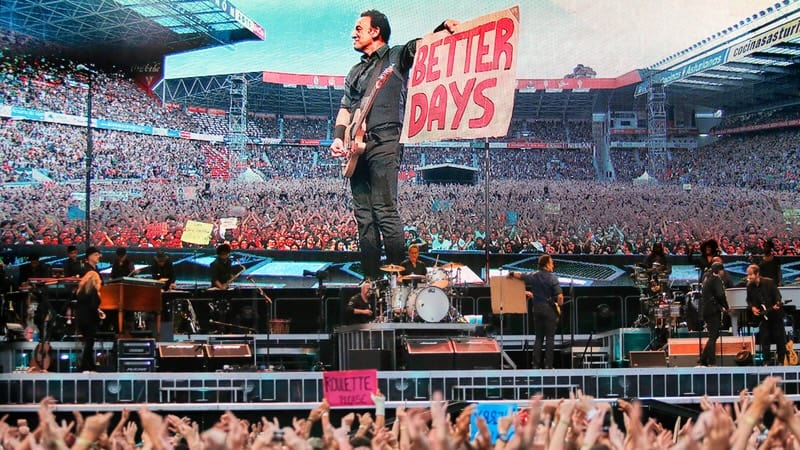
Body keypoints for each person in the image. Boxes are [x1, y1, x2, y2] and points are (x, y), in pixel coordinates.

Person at [329, 10, 458, 280]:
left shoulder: (394, 56)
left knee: (384, 210)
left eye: (359, 28)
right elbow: (345, 108)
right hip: (357, 146)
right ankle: (371, 280)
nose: (353, 33)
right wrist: (339, 137)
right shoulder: (354, 71)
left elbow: (419, 47)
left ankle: (401, 280)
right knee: (363, 217)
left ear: (376, 31)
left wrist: (442, 26)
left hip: (386, 139)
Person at [509, 254, 563, 369]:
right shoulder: (552, 277)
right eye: (551, 262)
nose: (553, 264)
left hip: (536, 309)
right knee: (549, 338)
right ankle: (548, 365)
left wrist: (511, 274)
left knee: (538, 337)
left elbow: (519, 275)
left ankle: (535, 365)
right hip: (549, 310)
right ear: (547, 264)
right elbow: (560, 297)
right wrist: (559, 305)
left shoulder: (533, 275)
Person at [745, 264, 786, 365]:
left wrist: (777, 304)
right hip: (763, 317)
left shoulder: (769, 282)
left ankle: (781, 361)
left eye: (750, 275)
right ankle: (766, 362)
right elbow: (749, 300)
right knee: (764, 339)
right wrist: (752, 308)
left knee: (780, 339)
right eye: (748, 275)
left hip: (775, 315)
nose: (748, 277)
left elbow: (777, 296)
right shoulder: (750, 286)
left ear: (757, 274)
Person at [699, 262, 729, 367]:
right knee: (713, 336)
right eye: (722, 270)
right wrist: (726, 306)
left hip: (706, 310)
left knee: (714, 335)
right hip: (712, 311)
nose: (723, 272)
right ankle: (711, 361)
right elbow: (720, 295)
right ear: (719, 270)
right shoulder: (716, 279)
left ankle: (703, 359)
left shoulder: (708, 278)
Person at [75, 270, 105, 372]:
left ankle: (90, 366)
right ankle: (84, 366)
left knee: (88, 343)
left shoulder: (81, 291)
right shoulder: (93, 291)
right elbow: (93, 307)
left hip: (81, 319)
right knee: (89, 344)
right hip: (90, 320)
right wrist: (99, 316)